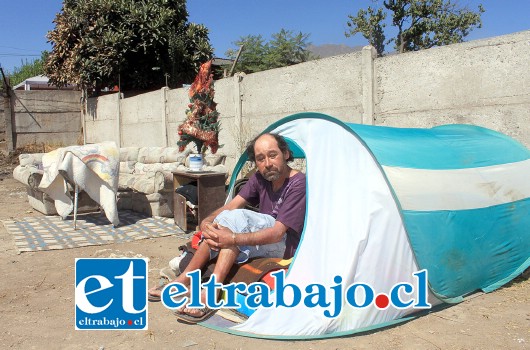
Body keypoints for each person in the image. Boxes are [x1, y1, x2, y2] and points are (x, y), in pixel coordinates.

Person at [148, 132, 306, 323]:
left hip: (284, 243)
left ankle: (210, 291)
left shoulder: (298, 183)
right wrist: (207, 221)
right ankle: (184, 280)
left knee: (235, 221)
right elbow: (230, 206)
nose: (267, 163)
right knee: (225, 221)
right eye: (260, 159)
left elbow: (277, 232)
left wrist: (232, 238)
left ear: (286, 154)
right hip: (262, 237)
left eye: (273, 155)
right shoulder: (260, 178)